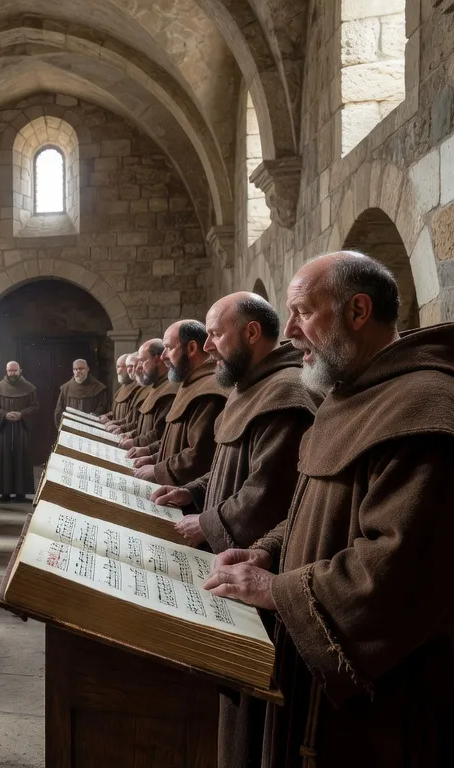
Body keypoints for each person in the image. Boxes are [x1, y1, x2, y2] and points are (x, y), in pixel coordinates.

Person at [204, 252, 454, 767]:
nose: (292, 331)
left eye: (303, 312)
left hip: (396, 693)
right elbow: (316, 512)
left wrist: (276, 590)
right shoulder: (354, 395)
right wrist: (265, 552)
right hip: (340, 667)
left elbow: (401, 569)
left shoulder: (428, 410)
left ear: (358, 311)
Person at [149, 292, 319, 768]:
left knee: (252, 729)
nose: (208, 346)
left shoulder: (285, 393)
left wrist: (208, 523)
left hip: (257, 571)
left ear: (250, 333)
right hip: (239, 560)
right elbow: (227, 466)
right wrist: (193, 492)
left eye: (217, 334)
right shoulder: (252, 385)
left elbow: (265, 492)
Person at [131, 320, 227, 485]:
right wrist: (153, 457)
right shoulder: (193, 383)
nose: (163, 356)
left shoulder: (209, 390)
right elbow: (175, 441)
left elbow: (199, 455)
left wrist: (159, 470)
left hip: (184, 496)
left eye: (168, 348)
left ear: (191, 348)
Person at [0, 361, 38, 502]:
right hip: (4, 428)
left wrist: (21, 414)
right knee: (4, 458)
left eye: (15, 371)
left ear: (20, 371)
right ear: (6, 371)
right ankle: (4, 493)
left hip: (21, 429)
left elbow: (35, 407)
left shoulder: (29, 388)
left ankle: (21, 493)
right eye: (10, 371)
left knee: (21, 458)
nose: (12, 373)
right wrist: (4, 414)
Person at [119, 339, 178, 451]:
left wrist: (139, 445)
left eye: (142, 360)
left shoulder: (170, 389)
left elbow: (161, 432)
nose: (139, 367)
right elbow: (145, 425)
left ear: (157, 359)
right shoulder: (157, 385)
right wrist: (132, 435)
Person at [53, 358, 109, 426]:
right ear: (73, 371)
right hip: (70, 427)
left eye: (81, 369)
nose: (78, 371)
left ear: (87, 369)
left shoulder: (99, 388)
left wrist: (92, 417)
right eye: (76, 369)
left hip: (91, 426)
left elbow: (103, 407)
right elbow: (59, 411)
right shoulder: (65, 388)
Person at [100, 354, 140, 425]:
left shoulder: (138, 389)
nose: (117, 371)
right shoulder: (121, 388)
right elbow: (114, 411)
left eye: (119, 367)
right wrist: (107, 416)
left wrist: (117, 425)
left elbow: (133, 418)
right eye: (116, 367)